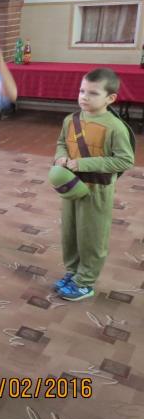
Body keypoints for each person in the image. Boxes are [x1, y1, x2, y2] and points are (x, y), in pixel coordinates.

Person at [52, 68, 135, 301]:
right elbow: (62, 143)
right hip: (71, 186)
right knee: (70, 232)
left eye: (93, 93)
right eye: (81, 91)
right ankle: (73, 271)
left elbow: (125, 160)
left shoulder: (115, 127)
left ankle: (85, 282)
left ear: (110, 98)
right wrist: (60, 156)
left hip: (97, 190)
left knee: (92, 236)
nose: (84, 97)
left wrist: (82, 163)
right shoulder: (71, 120)